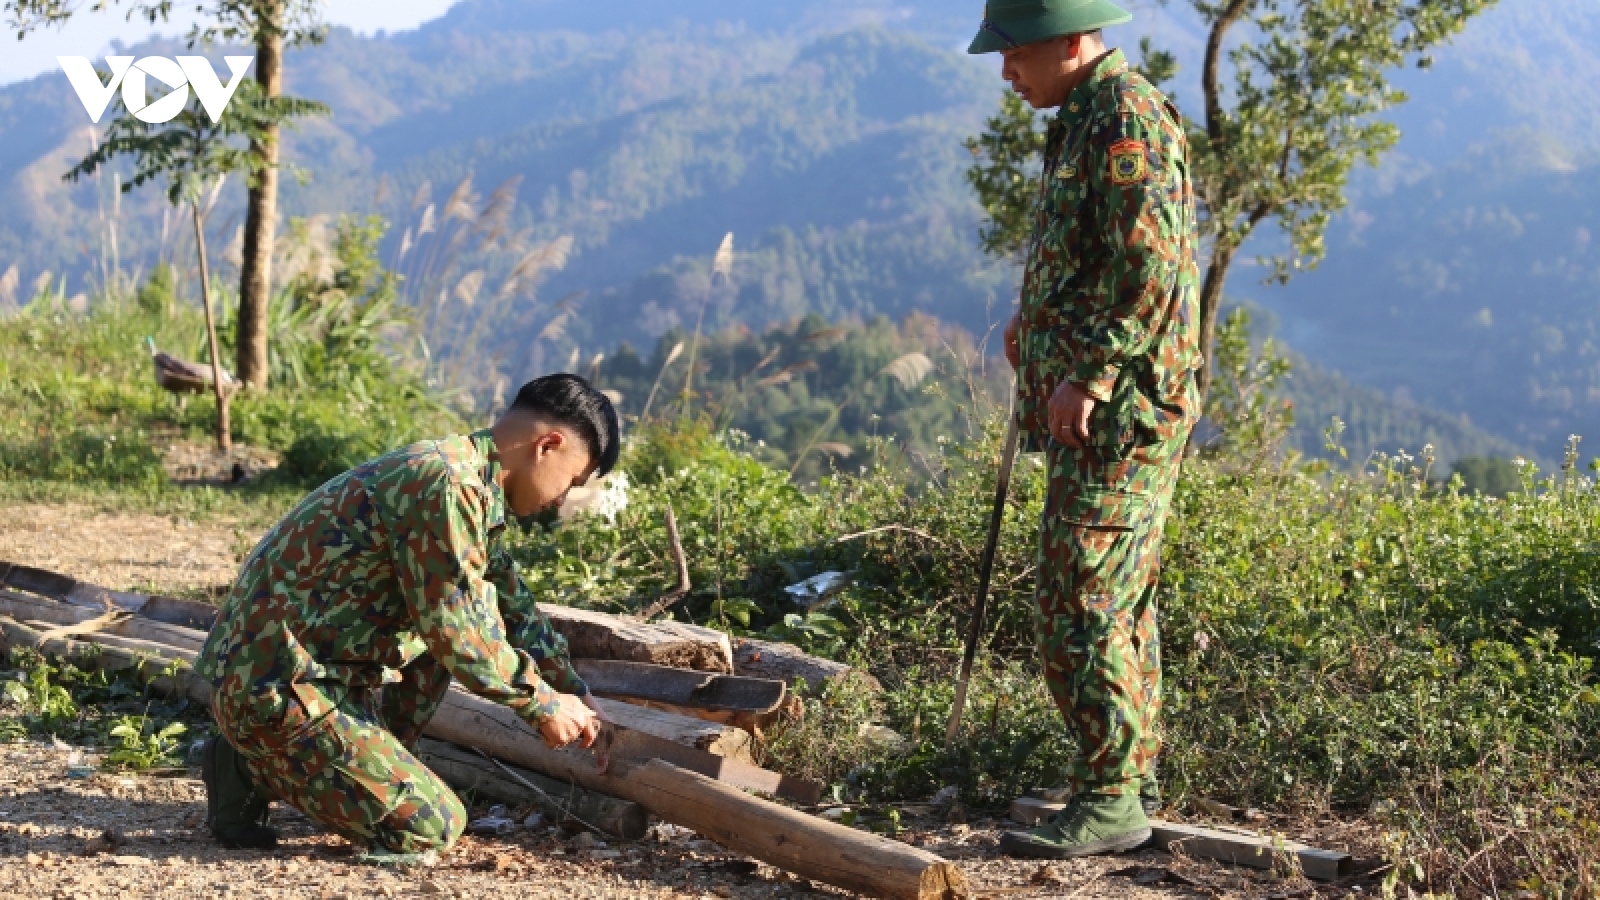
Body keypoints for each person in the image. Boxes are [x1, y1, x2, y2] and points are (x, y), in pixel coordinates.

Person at [194, 374, 620, 862]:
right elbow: (460, 632)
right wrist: (542, 704)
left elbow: (509, 606)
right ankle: (258, 765)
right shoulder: (448, 486)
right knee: (431, 826)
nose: (563, 499)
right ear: (549, 445)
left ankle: (315, 763)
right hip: (277, 688)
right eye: (573, 480)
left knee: (436, 650)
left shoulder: (467, 478)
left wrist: (577, 693)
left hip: (282, 677)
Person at [969, 0, 1202, 859]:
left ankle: (1111, 795)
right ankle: (1122, 779)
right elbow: (1096, 255)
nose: (1006, 72)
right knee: (1115, 597)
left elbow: (1151, 265)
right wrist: (1040, 326)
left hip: (1122, 412)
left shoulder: (1126, 119)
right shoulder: (1085, 116)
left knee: (1082, 601)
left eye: (1017, 53)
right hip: (1104, 406)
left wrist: (1091, 373)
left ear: (1072, 41)